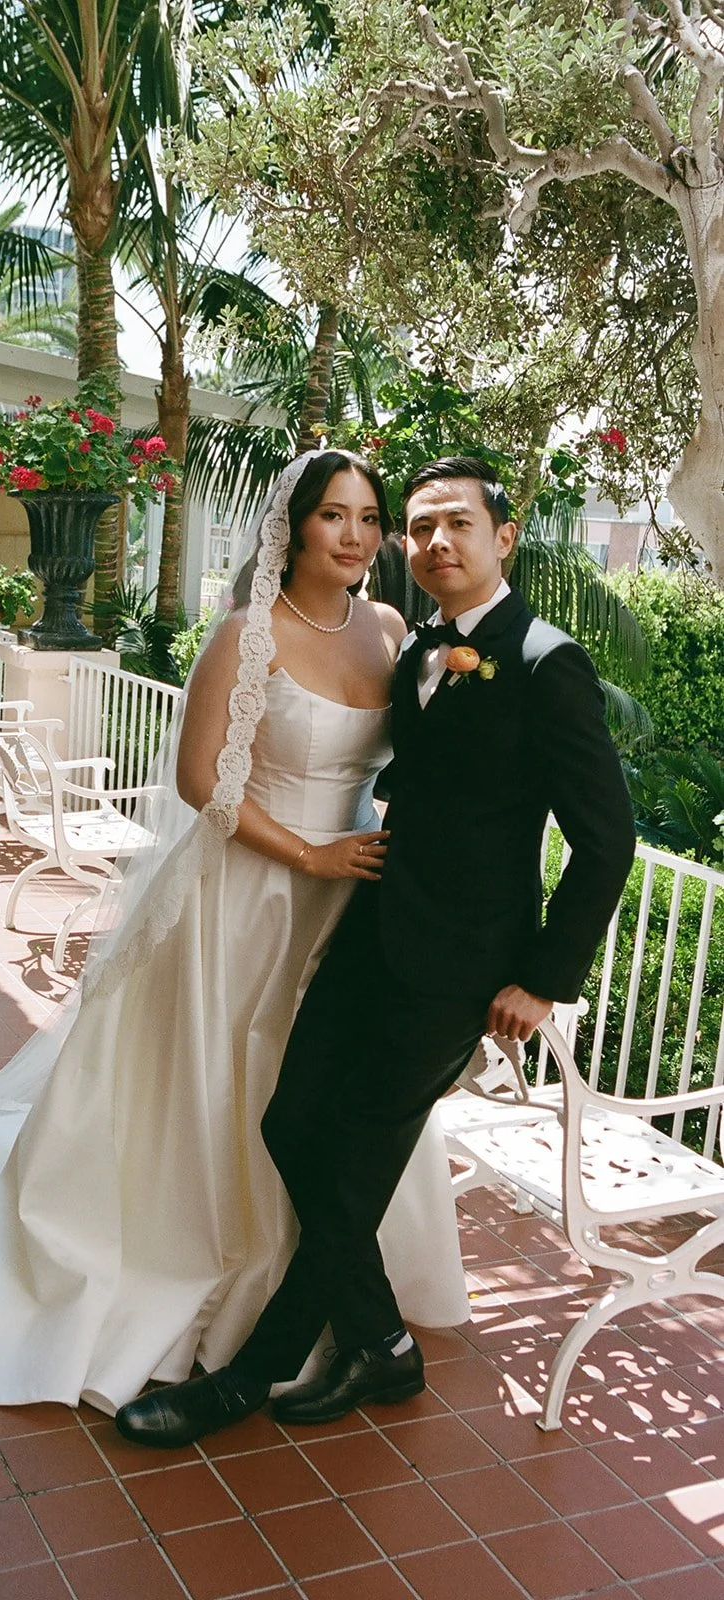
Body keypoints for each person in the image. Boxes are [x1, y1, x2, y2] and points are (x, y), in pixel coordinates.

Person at [0, 450, 469, 1411]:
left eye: (369, 518)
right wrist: (310, 855)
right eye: (335, 516)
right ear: (294, 529)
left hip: (353, 907)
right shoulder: (245, 636)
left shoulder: (394, 631)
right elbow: (202, 783)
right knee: (229, 1085)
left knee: (329, 1096)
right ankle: (206, 1257)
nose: (356, 536)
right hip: (252, 897)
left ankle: (328, 1278)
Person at [115, 455, 637, 1447]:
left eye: (456, 525)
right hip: (370, 933)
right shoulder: (413, 648)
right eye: (419, 526)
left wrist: (540, 977)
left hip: (462, 971)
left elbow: (602, 837)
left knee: (348, 1167)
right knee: (287, 1124)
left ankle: (244, 1379)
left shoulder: (543, 661)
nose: (432, 542)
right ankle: (379, 1343)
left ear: (503, 537)